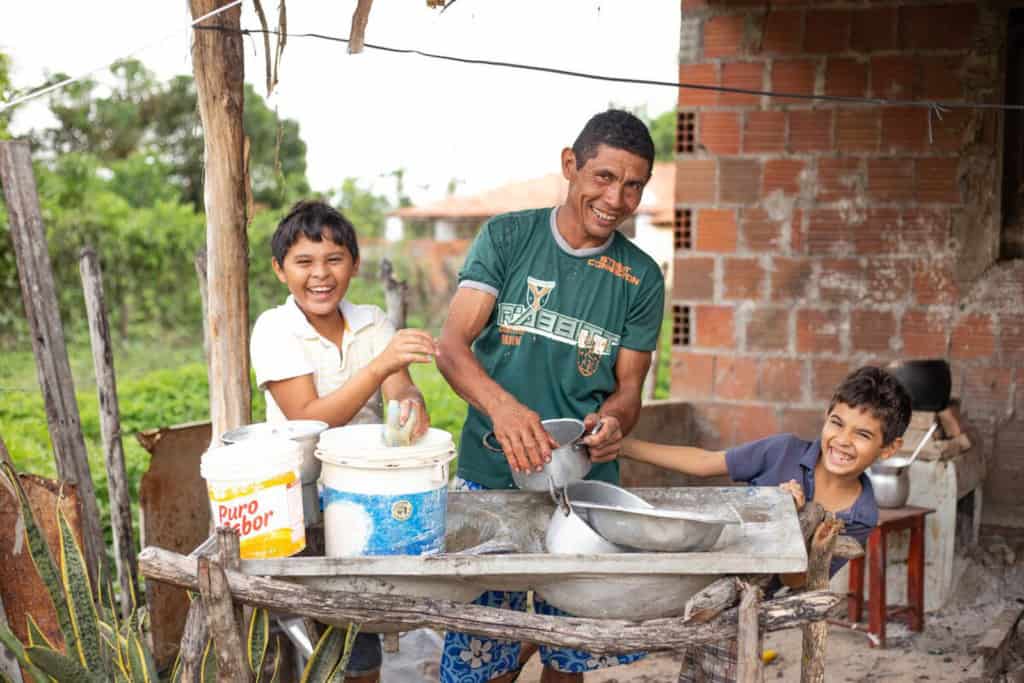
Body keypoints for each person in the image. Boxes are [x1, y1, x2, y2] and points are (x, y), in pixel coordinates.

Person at [436, 110, 665, 683]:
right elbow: (451, 347)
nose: (616, 197)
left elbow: (628, 391)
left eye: (633, 184)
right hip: (490, 480)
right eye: (604, 177)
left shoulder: (641, 277)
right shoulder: (509, 237)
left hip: (585, 496)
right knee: (483, 660)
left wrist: (613, 422)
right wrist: (504, 408)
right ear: (571, 165)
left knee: (569, 656)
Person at [623, 365, 912, 682]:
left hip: (741, 600)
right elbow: (706, 462)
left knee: (718, 671)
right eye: (837, 423)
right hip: (696, 564)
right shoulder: (782, 452)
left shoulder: (861, 514)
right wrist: (622, 447)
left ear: (889, 448)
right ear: (827, 416)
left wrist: (788, 520)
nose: (843, 440)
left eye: (863, 434)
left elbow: (795, 580)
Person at [250, 199, 437, 683]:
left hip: (368, 495)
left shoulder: (372, 321)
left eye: (334, 260)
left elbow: (399, 390)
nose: (321, 275)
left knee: (362, 641)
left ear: (354, 264)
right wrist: (380, 366)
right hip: (301, 506)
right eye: (304, 262)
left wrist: (410, 403)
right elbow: (309, 418)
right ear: (279, 269)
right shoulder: (275, 328)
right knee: (320, 638)